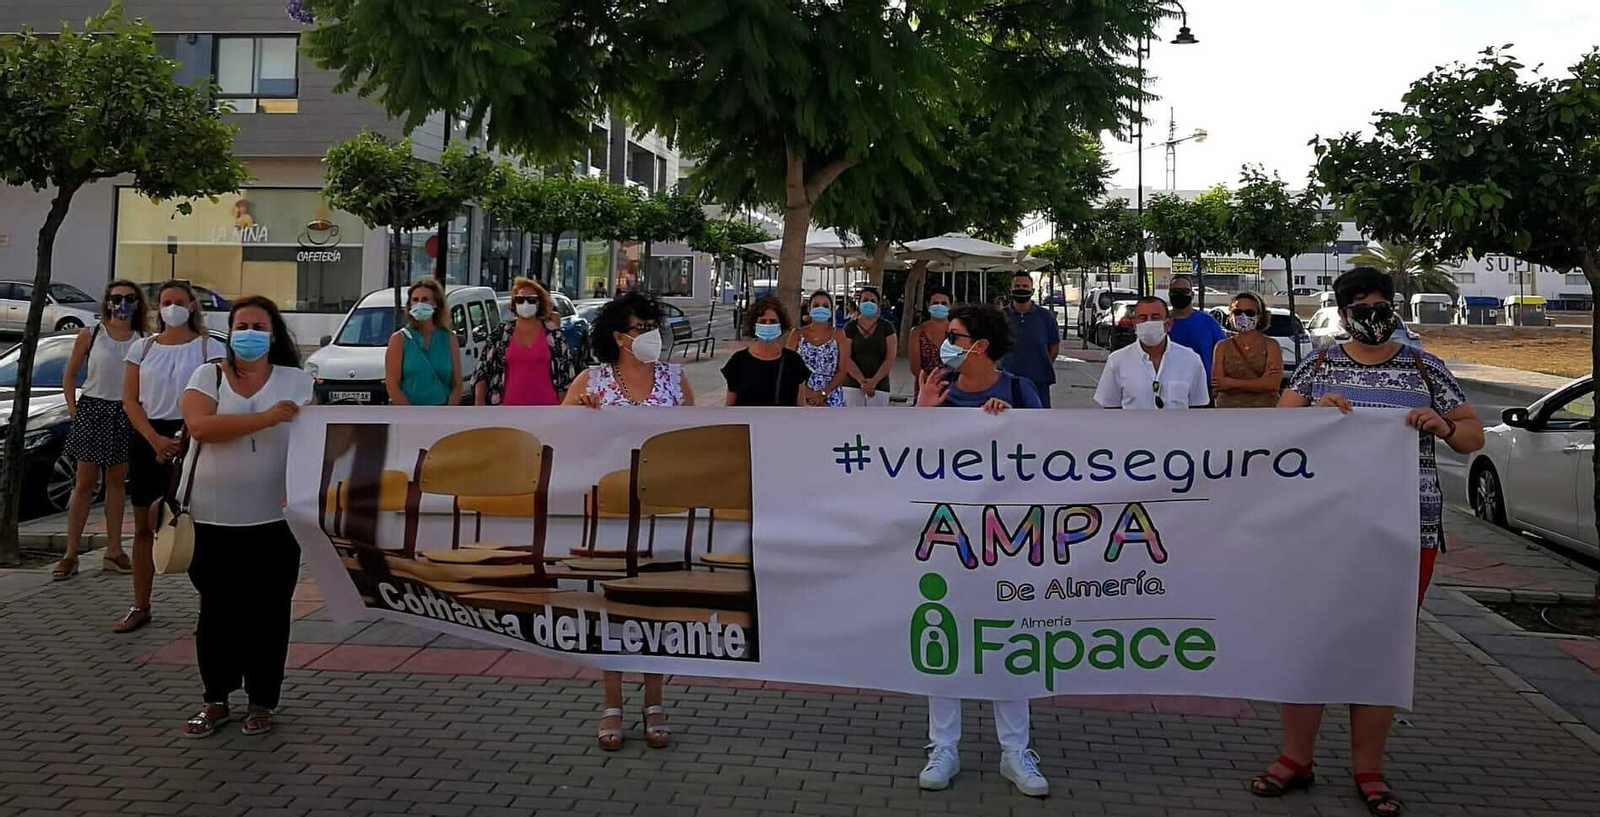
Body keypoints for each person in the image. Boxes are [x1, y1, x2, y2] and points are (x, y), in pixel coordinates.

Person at [1253, 267, 1484, 817]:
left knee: (1383, 645)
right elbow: (1279, 431)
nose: (1373, 318)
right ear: (1344, 314)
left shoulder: (1425, 368)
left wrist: (1444, 427)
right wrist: (1314, 414)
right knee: (1309, 640)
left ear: (1393, 309)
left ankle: (1369, 770)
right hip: (1324, 529)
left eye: (1381, 307)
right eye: (1361, 309)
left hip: (1405, 530)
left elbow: (1472, 435)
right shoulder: (1320, 365)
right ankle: (1295, 759)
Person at [912, 304, 1048, 798]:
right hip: (945, 537)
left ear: (981, 346)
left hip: (1006, 540)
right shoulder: (938, 388)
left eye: (955, 336)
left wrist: (1012, 426)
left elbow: (1052, 455)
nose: (945, 344)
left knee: (1009, 641)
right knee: (942, 637)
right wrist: (923, 412)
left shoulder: (1019, 391)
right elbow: (904, 459)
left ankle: (1015, 751)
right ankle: (944, 746)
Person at [177, 296, 313, 738]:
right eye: (241, 326)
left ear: (273, 335)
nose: (249, 334)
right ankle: (215, 699)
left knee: (269, 614)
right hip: (212, 518)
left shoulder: (298, 381)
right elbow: (201, 426)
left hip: (275, 520)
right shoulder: (208, 375)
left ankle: (262, 700)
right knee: (216, 612)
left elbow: (319, 440)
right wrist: (268, 419)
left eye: (258, 326)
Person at [562, 293, 693, 751]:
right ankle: (612, 703)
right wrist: (581, 415)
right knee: (613, 606)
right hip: (610, 512)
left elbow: (694, 440)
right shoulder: (592, 380)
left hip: (663, 510)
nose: (651, 335)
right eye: (641, 328)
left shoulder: (675, 379)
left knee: (656, 605)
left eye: (654, 326)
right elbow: (560, 434)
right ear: (619, 336)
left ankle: (654, 702)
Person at [118, 280, 224, 633]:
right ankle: (140, 604)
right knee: (145, 524)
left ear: (192, 305)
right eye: (166, 302)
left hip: (192, 435)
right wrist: (155, 440)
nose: (172, 308)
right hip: (149, 438)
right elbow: (130, 400)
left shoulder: (209, 347)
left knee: (199, 525)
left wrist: (182, 437)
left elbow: (216, 396)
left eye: (179, 301)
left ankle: (209, 608)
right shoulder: (143, 348)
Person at [54, 280, 148, 581]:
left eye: (129, 298)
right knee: (84, 482)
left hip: (126, 410)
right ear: (107, 302)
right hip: (93, 408)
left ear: (138, 303)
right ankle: (70, 553)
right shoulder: (92, 334)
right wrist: (74, 409)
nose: (122, 304)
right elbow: (69, 375)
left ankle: (114, 551)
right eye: (116, 298)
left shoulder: (144, 339)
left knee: (117, 482)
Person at [1093, 297, 1210, 411]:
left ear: (1169, 324)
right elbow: (1111, 409)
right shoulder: (1117, 361)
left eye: (1155, 317)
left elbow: (1197, 408)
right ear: (1134, 325)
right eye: (1143, 318)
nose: (1149, 322)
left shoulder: (1191, 360)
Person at [474, 277, 574, 406]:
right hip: (506, 410)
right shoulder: (501, 334)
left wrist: (563, 410)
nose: (525, 304)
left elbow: (566, 376)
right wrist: (479, 405)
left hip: (548, 409)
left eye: (531, 300)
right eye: (520, 299)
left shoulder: (554, 336)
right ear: (514, 303)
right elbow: (482, 370)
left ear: (539, 303)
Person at [721, 297, 811, 406]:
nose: (768, 325)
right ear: (754, 326)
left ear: (780, 326)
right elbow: (730, 407)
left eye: (773, 322)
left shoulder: (794, 361)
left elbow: (801, 405)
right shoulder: (738, 361)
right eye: (762, 322)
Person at [385, 279, 462, 406]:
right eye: (415, 300)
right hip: (408, 413)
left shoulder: (449, 338)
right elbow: (392, 385)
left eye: (425, 299)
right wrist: (411, 414)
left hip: (442, 411)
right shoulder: (399, 339)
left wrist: (448, 412)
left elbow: (457, 384)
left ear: (435, 303)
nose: (419, 304)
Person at [1210, 291, 1284, 408]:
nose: (1243, 316)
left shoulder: (1271, 345)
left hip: (1264, 411)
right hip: (1228, 411)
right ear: (1231, 314)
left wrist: (1231, 383)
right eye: (1238, 312)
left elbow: (1272, 384)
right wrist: (1259, 383)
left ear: (1259, 316)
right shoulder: (1222, 347)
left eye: (1249, 313)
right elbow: (1219, 384)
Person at [1163, 275, 1227, 404]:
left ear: (1192, 294)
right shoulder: (1161, 323)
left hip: (1203, 390)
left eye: (1184, 291)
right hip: (1166, 390)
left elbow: (1224, 354)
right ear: (1169, 294)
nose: (1179, 295)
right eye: (1175, 291)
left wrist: (1218, 384)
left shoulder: (1208, 322)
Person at [1000, 272, 1060, 408]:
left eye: (1025, 286)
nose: (1021, 289)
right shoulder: (1000, 317)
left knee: (1039, 419)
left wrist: (1041, 365)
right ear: (1010, 289)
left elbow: (1054, 347)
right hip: (1006, 381)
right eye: (1017, 286)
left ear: (1032, 290)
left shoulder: (1046, 317)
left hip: (1039, 382)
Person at [788, 290, 849, 407]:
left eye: (825, 306)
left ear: (831, 310)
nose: (821, 309)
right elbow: (788, 368)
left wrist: (823, 394)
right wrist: (808, 394)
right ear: (809, 309)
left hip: (831, 396)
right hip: (801, 395)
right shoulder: (796, 334)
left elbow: (842, 371)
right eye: (816, 305)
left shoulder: (839, 334)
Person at [840, 286, 898, 407]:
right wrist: (862, 382)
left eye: (872, 301)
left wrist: (873, 382)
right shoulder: (850, 327)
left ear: (878, 305)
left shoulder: (887, 327)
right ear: (859, 303)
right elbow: (846, 358)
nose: (868, 303)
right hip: (852, 386)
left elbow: (890, 359)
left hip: (880, 386)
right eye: (865, 300)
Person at [908, 286, 952, 388]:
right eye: (935, 303)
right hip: (925, 387)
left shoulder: (958, 331)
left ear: (950, 306)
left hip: (954, 389)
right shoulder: (917, 332)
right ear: (928, 305)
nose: (939, 306)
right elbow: (915, 367)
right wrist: (932, 384)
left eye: (944, 303)